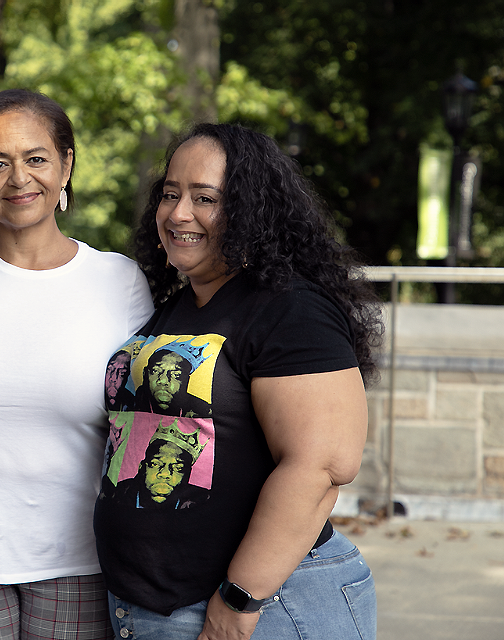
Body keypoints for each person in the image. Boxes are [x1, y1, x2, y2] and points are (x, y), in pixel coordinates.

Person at [94, 123, 384, 640]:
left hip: (264, 607)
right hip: (150, 608)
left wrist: (240, 598)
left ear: (252, 211)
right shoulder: (179, 307)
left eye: (205, 198)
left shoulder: (291, 309)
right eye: (169, 194)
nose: (178, 213)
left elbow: (322, 465)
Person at [0, 88, 154, 640]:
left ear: (66, 164)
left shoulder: (122, 283)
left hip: (82, 557)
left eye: (36, 158)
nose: (19, 179)